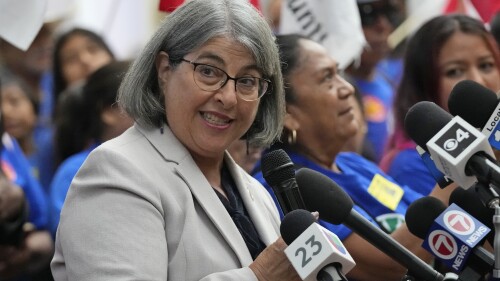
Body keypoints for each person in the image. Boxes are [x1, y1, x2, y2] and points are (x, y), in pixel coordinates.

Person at [51, 0, 300, 280]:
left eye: (247, 80)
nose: (228, 97)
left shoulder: (256, 192)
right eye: (208, 71)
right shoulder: (117, 172)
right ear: (164, 71)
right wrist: (260, 276)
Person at [253, 34, 455, 281]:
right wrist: (456, 171)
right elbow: (388, 266)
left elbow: (440, 224)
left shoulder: (354, 163)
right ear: (287, 114)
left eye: (339, 74)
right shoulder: (285, 188)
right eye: (327, 78)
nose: (348, 88)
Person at [380, 14, 500, 196]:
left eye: (486, 66)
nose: (478, 80)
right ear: (424, 84)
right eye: (455, 71)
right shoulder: (409, 166)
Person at [49, 61, 133, 236]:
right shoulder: (76, 170)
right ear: (109, 112)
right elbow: (70, 238)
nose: (157, 108)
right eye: (142, 99)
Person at [0, 78, 53, 280]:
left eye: (14, 102)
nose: (5, 112)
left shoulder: (49, 152)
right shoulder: (7, 150)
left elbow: (41, 214)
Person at [344, 0, 401, 163]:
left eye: (389, 14)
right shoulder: (334, 94)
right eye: (367, 15)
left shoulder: (389, 81)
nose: (383, 26)